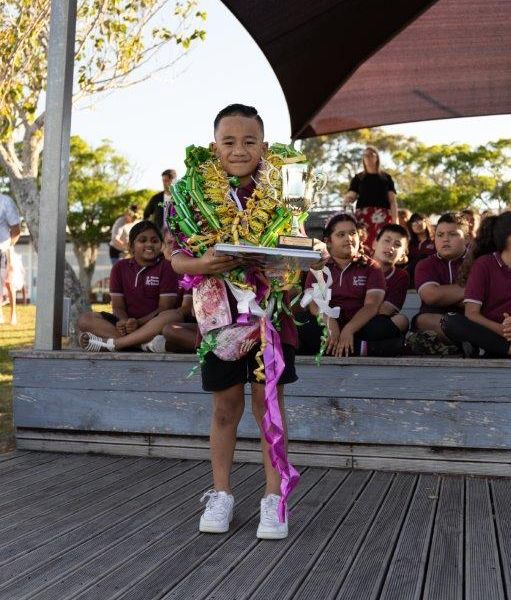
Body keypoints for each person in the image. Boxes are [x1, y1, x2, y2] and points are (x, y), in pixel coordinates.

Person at [171, 104, 298, 540]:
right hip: (218, 317)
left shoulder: (288, 186)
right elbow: (175, 256)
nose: (239, 149)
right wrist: (203, 262)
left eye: (249, 142)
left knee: (269, 407)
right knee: (226, 408)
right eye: (229, 142)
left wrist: (288, 269)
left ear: (264, 146)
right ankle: (221, 493)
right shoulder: (188, 194)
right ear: (214, 147)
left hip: (270, 316)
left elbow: (298, 246)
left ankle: (273, 499)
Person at [303, 213, 404, 357]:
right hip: (327, 324)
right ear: (328, 241)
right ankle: (362, 348)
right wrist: (330, 322)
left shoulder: (371, 267)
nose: (348, 238)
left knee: (381, 327)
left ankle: (337, 347)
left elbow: (372, 306)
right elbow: (314, 304)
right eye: (341, 234)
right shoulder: (319, 266)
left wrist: (349, 329)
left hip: (360, 326)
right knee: (303, 323)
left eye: (352, 233)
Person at [78, 221, 184, 352]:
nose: (149, 244)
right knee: (85, 320)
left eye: (155, 241)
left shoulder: (167, 266)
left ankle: (116, 343)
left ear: (160, 245)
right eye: (142, 240)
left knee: (173, 315)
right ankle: (143, 345)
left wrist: (138, 323)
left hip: (154, 324)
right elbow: (118, 306)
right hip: (127, 325)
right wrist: (124, 322)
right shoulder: (120, 267)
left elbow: (164, 308)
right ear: (131, 247)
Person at [441, 212, 511, 358]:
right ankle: (504, 349)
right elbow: (471, 313)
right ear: (506, 237)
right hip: (491, 330)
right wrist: (503, 330)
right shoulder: (484, 264)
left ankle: (491, 349)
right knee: (450, 320)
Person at [407, 212, 470, 355]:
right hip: (436, 319)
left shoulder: (479, 263)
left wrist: (447, 295)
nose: (445, 240)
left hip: (471, 317)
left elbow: (480, 303)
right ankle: (469, 341)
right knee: (424, 320)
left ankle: (466, 342)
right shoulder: (425, 264)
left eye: (453, 234)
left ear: (466, 238)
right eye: (440, 235)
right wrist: (472, 290)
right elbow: (431, 296)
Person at [343, 146, 397, 248]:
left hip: (383, 217)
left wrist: (395, 221)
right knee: (363, 244)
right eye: (365, 155)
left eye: (371, 155)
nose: (368, 157)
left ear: (377, 158)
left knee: (382, 244)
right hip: (363, 217)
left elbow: (393, 201)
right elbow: (352, 194)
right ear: (363, 159)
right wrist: (347, 198)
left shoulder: (386, 178)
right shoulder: (358, 178)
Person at [372, 224, 410, 334]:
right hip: (350, 319)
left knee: (401, 321)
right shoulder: (359, 265)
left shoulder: (401, 276)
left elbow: (385, 310)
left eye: (397, 244)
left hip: (375, 322)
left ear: (403, 254)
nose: (391, 247)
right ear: (374, 243)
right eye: (386, 241)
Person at [0, 193, 21, 325]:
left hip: (4, 248)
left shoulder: (6, 202)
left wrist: (8, 247)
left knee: (9, 283)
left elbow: (16, 229)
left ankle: (13, 313)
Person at [406, 212, 435, 288]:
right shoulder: (409, 244)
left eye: (419, 220)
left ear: (425, 222)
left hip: (430, 279)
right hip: (411, 282)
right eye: (413, 222)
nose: (416, 224)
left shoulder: (435, 241)